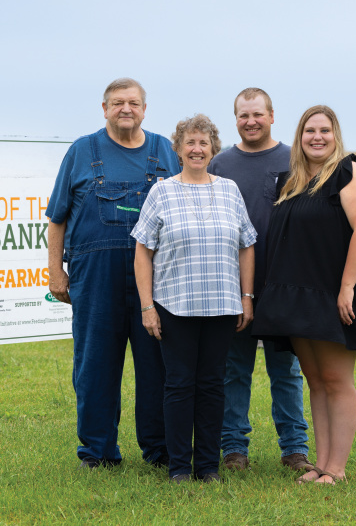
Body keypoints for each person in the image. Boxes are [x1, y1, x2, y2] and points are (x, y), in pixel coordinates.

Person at [252, 105, 356, 485]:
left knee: (337, 380)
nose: (316, 137)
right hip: (299, 296)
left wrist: (348, 287)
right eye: (309, 131)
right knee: (315, 380)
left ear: (335, 135)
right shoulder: (291, 181)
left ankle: (337, 468)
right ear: (299, 138)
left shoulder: (350, 171)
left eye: (324, 130)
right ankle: (321, 463)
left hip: (336, 293)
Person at [46, 78, 180, 469]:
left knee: (157, 365)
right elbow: (57, 220)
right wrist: (56, 272)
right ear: (104, 108)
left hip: (155, 279)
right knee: (95, 366)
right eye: (118, 103)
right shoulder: (81, 152)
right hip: (95, 278)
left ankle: (159, 450)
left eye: (134, 103)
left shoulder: (165, 152)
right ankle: (98, 452)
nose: (126, 109)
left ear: (144, 109)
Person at [131, 114, 257, 483]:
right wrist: (147, 305)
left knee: (212, 385)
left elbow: (246, 245)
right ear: (178, 149)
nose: (197, 149)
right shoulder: (162, 191)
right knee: (179, 385)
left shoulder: (229, 190)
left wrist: (246, 297)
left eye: (203, 143)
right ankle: (178, 467)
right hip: (175, 306)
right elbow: (143, 251)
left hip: (222, 306)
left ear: (213, 149)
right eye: (190, 143)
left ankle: (207, 466)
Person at [208, 88, 311, 473]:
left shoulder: (293, 159)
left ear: (271, 115)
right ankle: (234, 448)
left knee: (285, 370)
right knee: (234, 370)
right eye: (242, 115)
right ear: (235, 119)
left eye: (257, 114)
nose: (250, 121)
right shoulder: (221, 163)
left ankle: (295, 448)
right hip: (231, 286)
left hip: (283, 285)